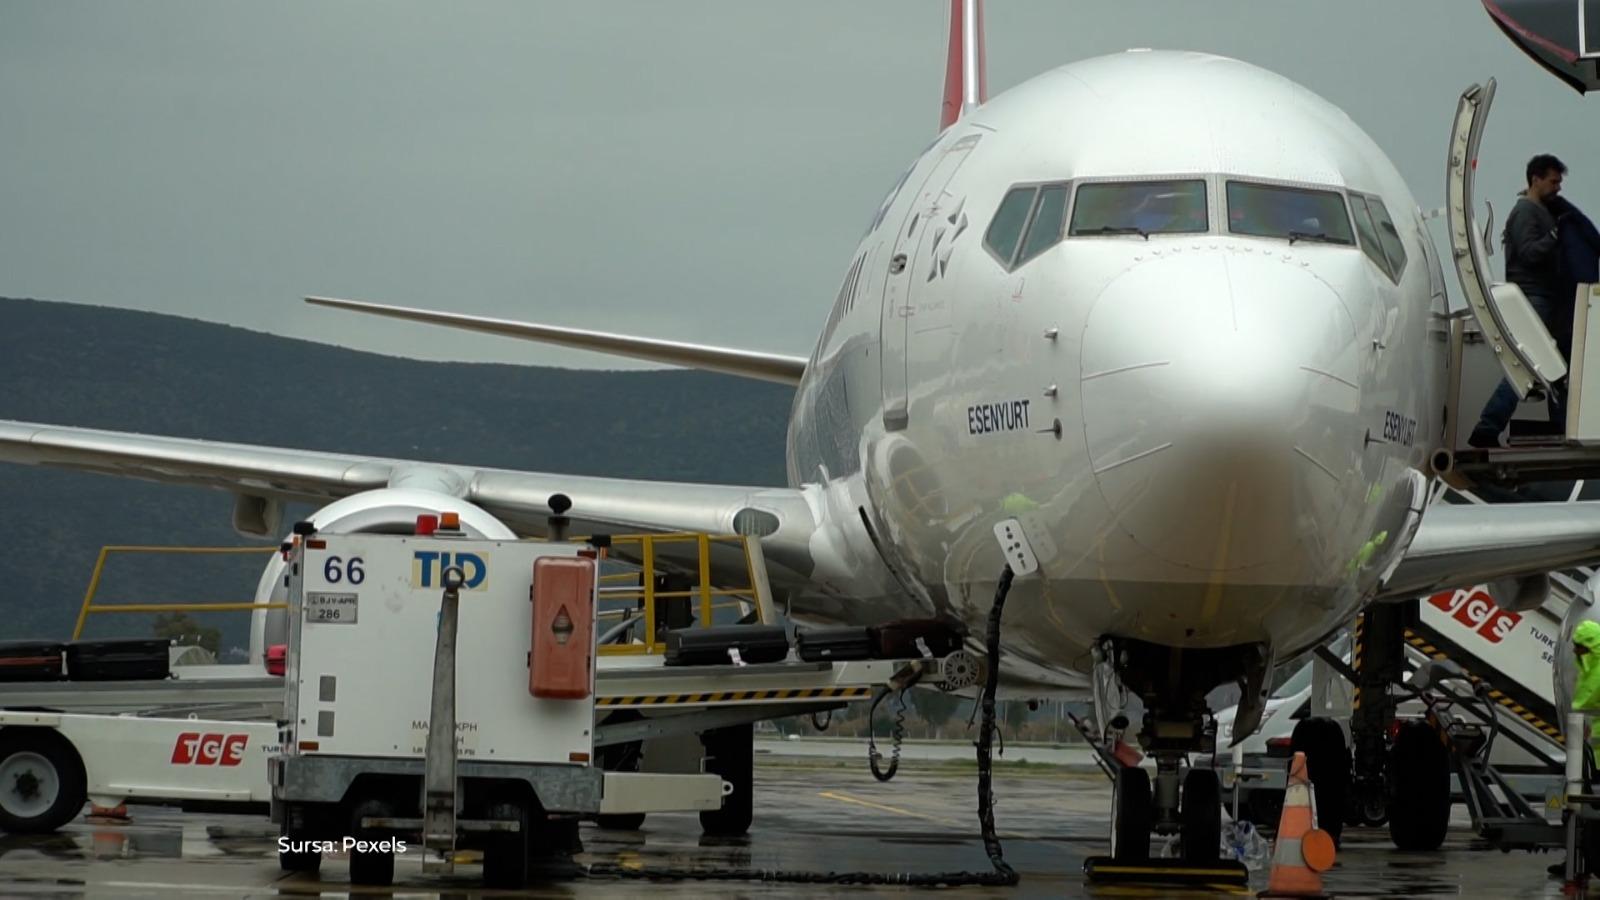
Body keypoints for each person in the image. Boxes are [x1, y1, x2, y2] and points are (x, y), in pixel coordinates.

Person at [1469, 154, 1572, 448]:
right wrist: (1555, 236)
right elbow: (1528, 253)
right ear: (1535, 179)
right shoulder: (1526, 213)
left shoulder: (1538, 211)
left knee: (1555, 369)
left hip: (1542, 299)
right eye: (1553, 181)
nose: (1557, 188)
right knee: (1530, 366)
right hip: (1533, 298)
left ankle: (1562, 429)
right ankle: (1487, 428)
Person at [1550, 620, 1600, 877]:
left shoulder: (1597, 672)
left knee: (1583, 807)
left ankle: (1578, 859)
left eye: (1581, 648)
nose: (1577, 653)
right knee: (1573, 804)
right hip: (1586, 751)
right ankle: (1573, 857)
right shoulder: (1588, 670)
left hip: (1593, 752)